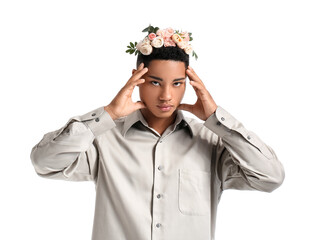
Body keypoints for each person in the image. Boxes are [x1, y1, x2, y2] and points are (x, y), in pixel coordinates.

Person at [30, 25, 285, 240]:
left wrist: (216, 119)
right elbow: (44, 163)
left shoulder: (212, 142)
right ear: (136, 77)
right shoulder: (104, 139)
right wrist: (107, 114)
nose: (166, 95)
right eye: (154, 82)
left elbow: (270, 177)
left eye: (177, 84)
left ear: (188, 84)